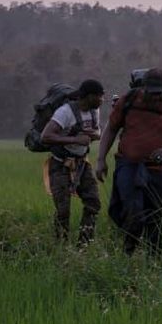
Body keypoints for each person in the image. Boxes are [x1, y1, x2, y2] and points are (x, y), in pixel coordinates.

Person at [95, 68, 162, 255]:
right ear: (143, 89)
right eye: (152, 93)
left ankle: (153, 257)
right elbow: (111, 129)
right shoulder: (129, 101)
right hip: (129, 165)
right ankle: (128, 253)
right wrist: (101, 160)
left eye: (160, 94)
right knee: (133, 212)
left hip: (159, 170)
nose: (156, 98)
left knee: (158, 216)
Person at [40, 79, 105, 246]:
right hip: (60, 164)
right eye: (99, 97)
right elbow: (46, 136)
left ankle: (83, 246)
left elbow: (98, 132)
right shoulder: (65, 112)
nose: (102, 100)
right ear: (89, 96)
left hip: (82, 164)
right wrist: (75, 139)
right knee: (63, 211)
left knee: (93, 203)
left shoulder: (94, 111)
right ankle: (61, 248)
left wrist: (93, 135)